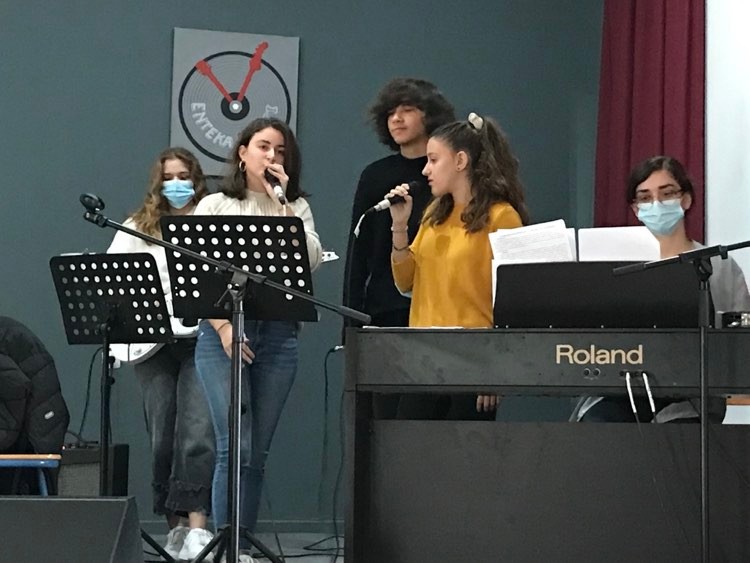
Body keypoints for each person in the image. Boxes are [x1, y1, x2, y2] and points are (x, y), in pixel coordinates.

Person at [192, 118, 322, 559]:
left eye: (281, 151)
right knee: (234, 445)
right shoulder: (215, 204)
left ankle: (242, 545)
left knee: (257, 452)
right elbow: (196, 276)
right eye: (264, 146)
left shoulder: (295, 205)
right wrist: (225, 329)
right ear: (242, 152)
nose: (272, 156)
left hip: (279, 333)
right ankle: (226, 546)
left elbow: (310, 259)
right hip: (221, 333)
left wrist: (282, 205)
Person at [574, 155, 750, 422]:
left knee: (678, 436)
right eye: (645, 198)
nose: (656, 204)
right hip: (623, 390)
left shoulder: (719, 266)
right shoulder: (620, 267)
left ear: (686, 200)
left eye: (667, 194)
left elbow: (739, 338)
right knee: (598, 425)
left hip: (692, 397)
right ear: (636, 209)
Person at [106, 147, 216, 560]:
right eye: (168, 177)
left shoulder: (211, 219)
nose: (176, 184)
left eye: (183, 175)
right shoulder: (137, 226)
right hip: (152, 343)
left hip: (201, 338)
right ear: (158, 182)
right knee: (162, 437)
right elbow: (112, 278)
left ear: (196, 179)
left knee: (198, 432)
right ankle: (176, 529)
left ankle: (199, 527)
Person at [388, 112, 530, 419]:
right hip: (424, 358)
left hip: (474, 359)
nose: (425, 169)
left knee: (464, 448)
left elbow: (516, 302)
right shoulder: (434, 214)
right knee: (410, 444)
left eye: (433, 160)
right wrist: (399, 227)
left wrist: (497, 369)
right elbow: (405, 282)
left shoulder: (502, 217)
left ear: (461, 161)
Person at [343, 77, 455, 418]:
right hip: (384, 313)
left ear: (430, 115)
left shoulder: (448, 176)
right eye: (391, 112)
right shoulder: (374, 176)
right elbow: (357, 255)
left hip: (438, 315)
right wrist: (350, 324)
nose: (397, 118)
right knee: (383, 418)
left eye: (408, 109)